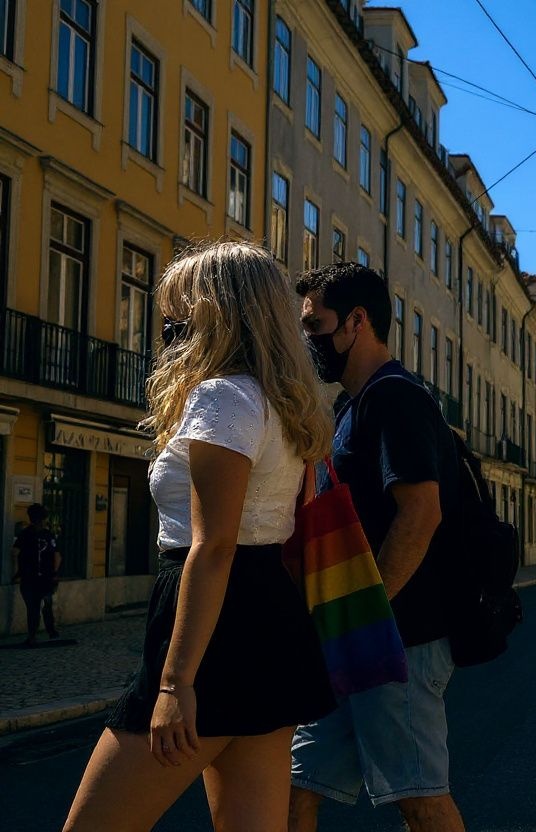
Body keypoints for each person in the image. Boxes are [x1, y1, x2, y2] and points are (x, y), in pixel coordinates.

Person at [64, 242, 335, 830]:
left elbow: (214, 546)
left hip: (215, 617)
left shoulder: (222, 398)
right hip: (268, 617)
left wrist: (174, 682)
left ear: (216, 310)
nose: (168, 325)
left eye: (178, 310)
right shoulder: (281, 404)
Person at [291, 263, 465, 832]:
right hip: (349, 637)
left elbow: (422, 513)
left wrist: (369, 612)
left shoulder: (395, 398)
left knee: (419, 801)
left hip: (398, 639)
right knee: (293, 784)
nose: (308, 339)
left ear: (356, 322)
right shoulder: (349, 407)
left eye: (315, 325)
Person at [12, 503, 60, 645]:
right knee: (47, 604)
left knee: (32, 608)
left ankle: (32, 636)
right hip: (46, 577)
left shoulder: (24, 534)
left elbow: (15, 553)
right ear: (44, 519)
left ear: (31, 518)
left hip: (28, 577)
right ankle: (51, 632)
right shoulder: (48, 535)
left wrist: (18, 571)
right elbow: (57, 555)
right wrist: (55, 572)